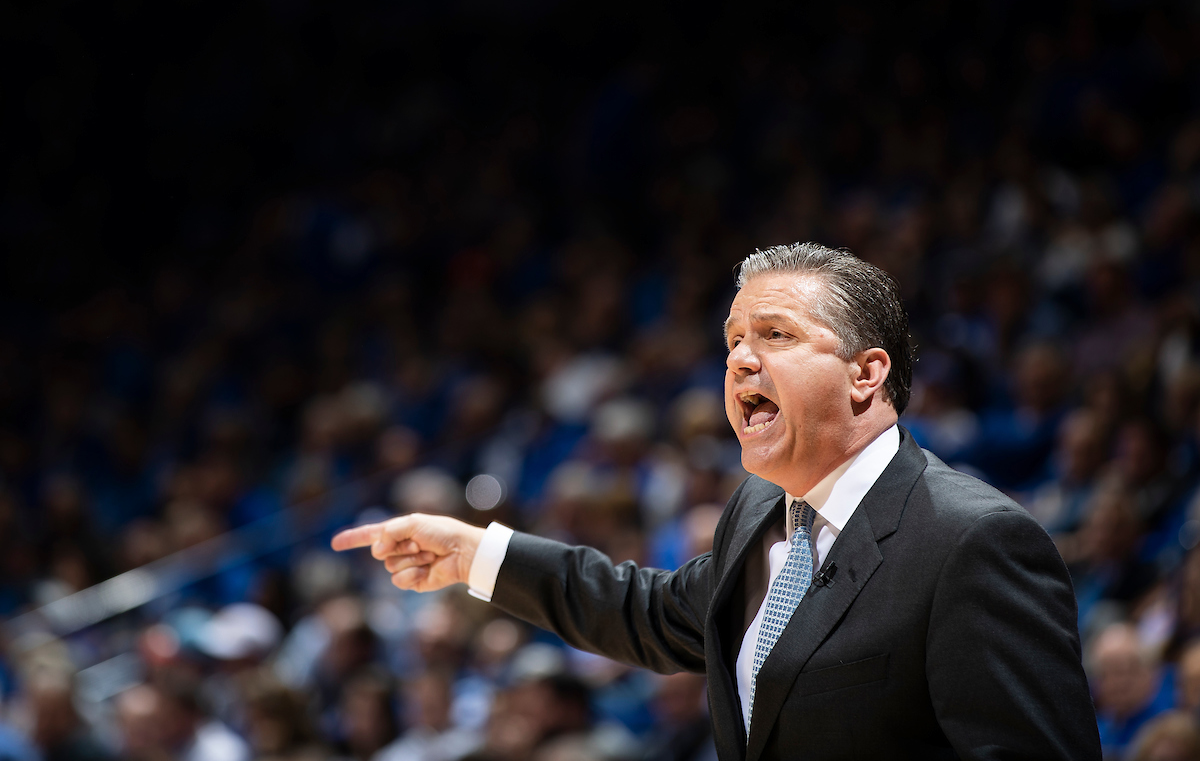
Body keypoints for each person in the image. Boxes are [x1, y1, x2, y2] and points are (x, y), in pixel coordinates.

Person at [334, 242, 1101, 760]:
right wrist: (477, 555)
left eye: (775, 335)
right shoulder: (760, 510)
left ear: (866, 375)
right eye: (733, 339)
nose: (738, 360)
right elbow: (653, 613)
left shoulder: (973, 542)